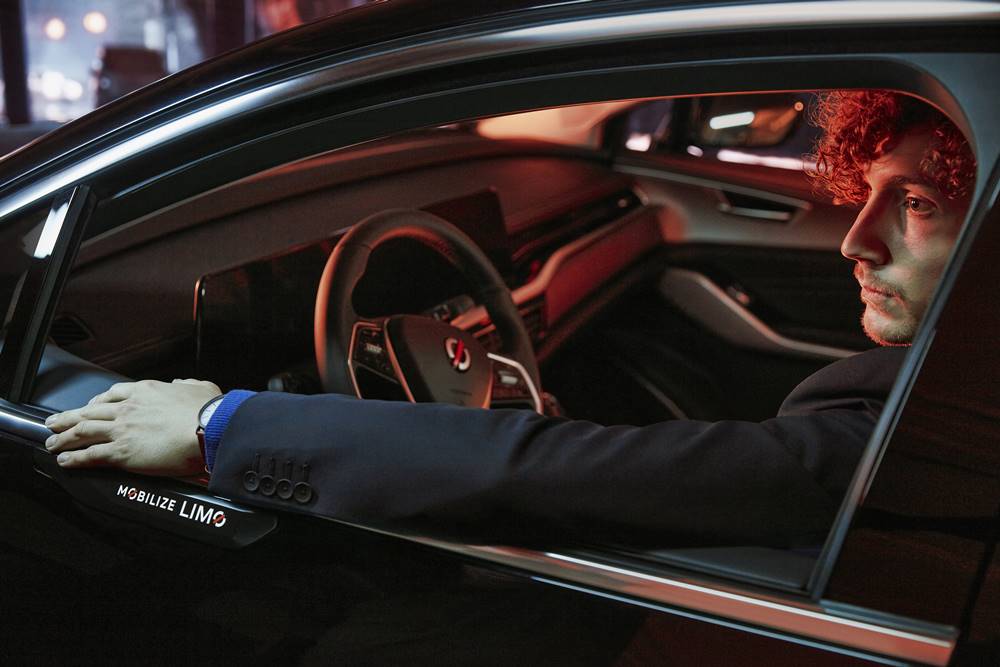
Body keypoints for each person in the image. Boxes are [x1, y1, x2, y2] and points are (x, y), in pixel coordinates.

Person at [41, 90, 976, 547]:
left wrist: (222, 422)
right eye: (867, 192)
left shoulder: (922, 428)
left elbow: (584, 473)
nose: (854, 240)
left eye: (919, 204)